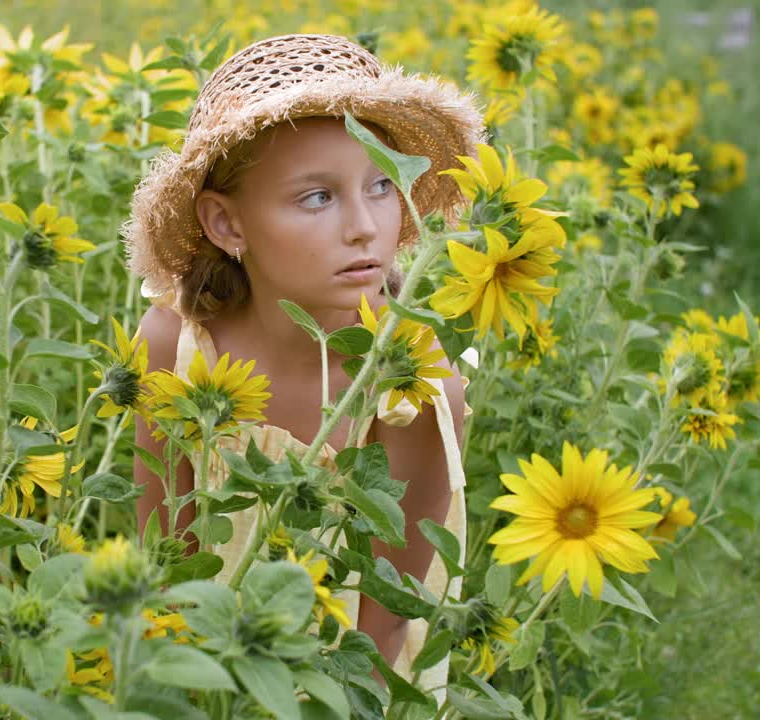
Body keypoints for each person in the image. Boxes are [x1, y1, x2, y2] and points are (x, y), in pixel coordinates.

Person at [122, 33, 483, 694]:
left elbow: (382, 628)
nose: (365, 227)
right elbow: (164, 558)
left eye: (381, 186)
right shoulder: (173, 346)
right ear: (227, 225)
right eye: (317, 197)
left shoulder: (415, 391)